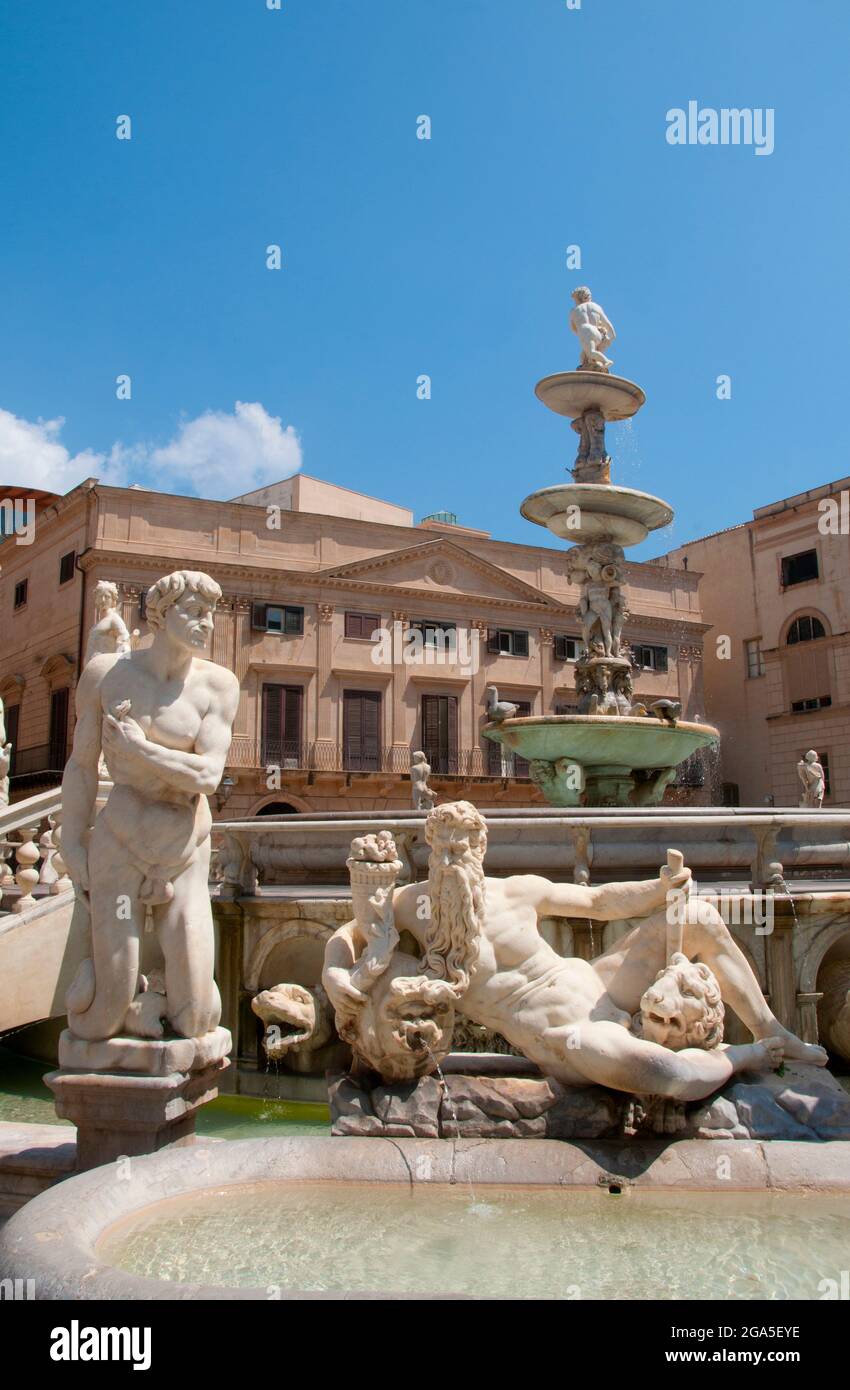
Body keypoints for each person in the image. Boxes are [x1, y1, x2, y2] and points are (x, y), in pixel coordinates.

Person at [327, 800, 826, 1101]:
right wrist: (334, 975)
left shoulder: (516, 890)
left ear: (482, 850)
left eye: (465, 845)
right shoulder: (413, 904)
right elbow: (349, 934)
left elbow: (598, 901)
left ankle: (777, 1034)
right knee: (665, 1073)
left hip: (597, 983)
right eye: (444, 848)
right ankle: (744, 1057)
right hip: (569, 1036)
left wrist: (659, 889)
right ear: (431, 852)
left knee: (696, 916)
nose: (455, 855)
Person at [61, 570, 239, 1042]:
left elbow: (206, 776)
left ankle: (157, 1002)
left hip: (184, 851)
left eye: (211, 615)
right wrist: (71, 845)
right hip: (118, 849)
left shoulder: (219, 686)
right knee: (100, 1017)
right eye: (195, 613)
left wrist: (141, 750)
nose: (208, 624)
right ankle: (130, 1002)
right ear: (161, 615)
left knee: (200, 1017)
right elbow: (81, 767)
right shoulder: (106, 675)